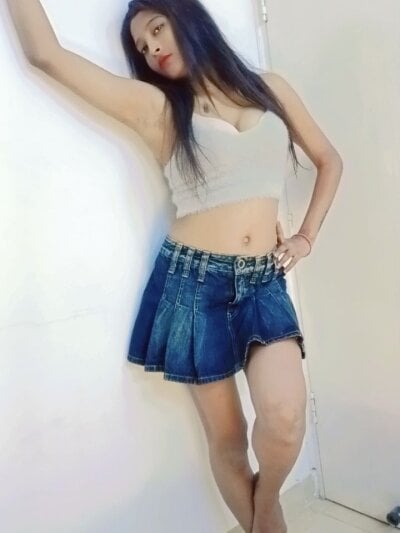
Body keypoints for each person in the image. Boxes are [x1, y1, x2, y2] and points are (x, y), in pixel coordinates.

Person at [6, 1, 343, 531]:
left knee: (284, 419)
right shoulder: (158, 108)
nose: (153, 48)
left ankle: (263, 512)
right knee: (228, 440)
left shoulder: (269, 88)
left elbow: (329, 159)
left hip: (263, 283)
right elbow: (46, 54)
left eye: (158, 29)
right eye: (142, 47)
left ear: (188, 18)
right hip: (192, 286)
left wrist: (305, 237)